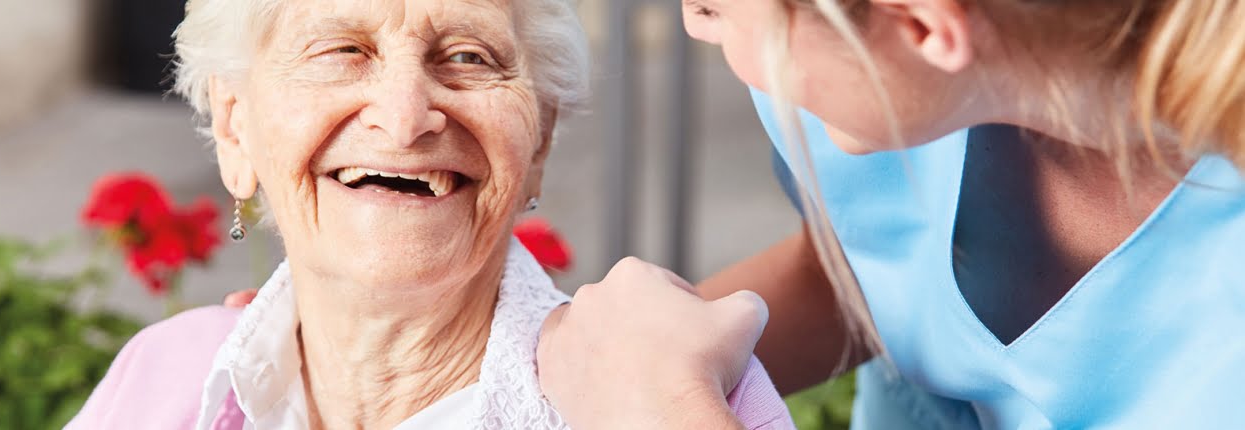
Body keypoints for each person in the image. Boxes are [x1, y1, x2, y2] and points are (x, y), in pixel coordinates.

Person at [66, 0, 794, 428]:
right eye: (342, 50)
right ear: (235, 130)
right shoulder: (172, 372)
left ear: (538, 140)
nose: (407, 116)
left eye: (471, 58)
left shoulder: (673, 397)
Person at [531, 0, 1245, 428]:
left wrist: (671, 412)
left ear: (921, 27)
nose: (696, 25)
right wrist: (621, 366)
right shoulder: (872, 101)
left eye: (716, 7)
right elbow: (859, 268)